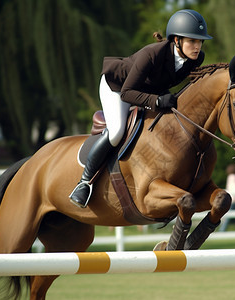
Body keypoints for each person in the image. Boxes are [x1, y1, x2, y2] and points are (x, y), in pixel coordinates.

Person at [70, 9, 213, 208]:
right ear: (176, 41)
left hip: (146, 91)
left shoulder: (196, 58)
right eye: (192, 41)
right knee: (117, 132)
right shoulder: (152, 54)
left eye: (200, 42)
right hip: (117, 87)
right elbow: (127, 93)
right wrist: (156, 101)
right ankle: (84, 183)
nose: (197, 47)